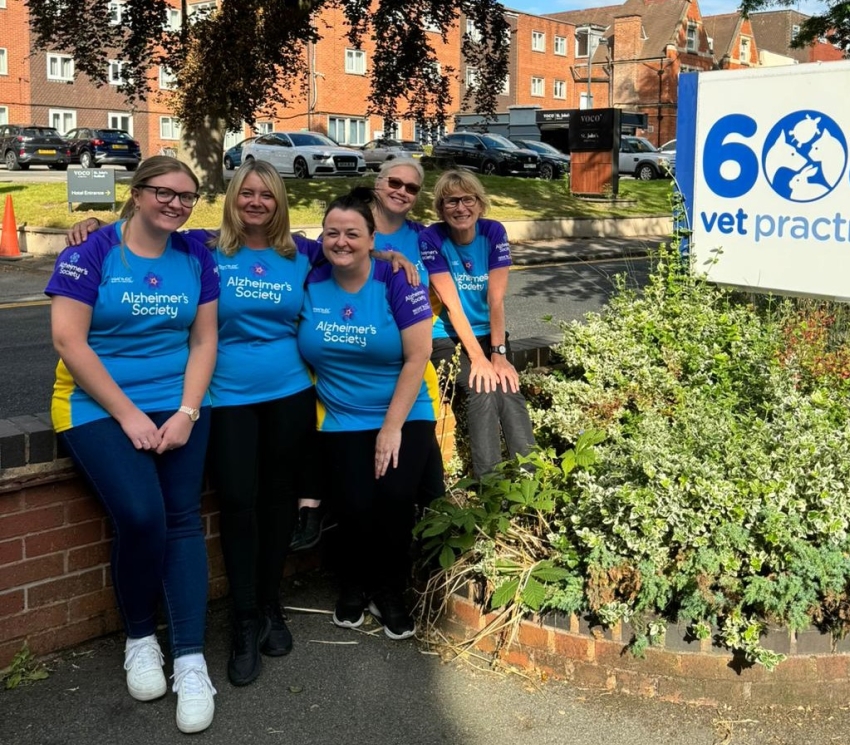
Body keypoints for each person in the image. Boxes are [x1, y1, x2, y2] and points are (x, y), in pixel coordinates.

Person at [68, 161, 419, 683]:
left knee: (277, 503)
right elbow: (144, 232)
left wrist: (391, 256)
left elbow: (353, 250)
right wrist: (93, 227)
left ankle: (272, 606)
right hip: (225, 397)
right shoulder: (203, 249)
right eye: (247, 193)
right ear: (233, 198)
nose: (257, 202)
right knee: (237, 502)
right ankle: (244, 614)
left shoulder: (301, 252)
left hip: (289, 394)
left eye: (268, 195)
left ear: (279, 203)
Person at [45, 156, 220, 733]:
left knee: (183, 519)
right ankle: (141, 637)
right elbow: (69, 340)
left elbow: (204, 340)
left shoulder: (195, 255)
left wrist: (188, 412)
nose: (176, 203)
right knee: (142, 517)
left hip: (179, 403)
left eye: (187, 196)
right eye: (164, 193)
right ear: (137, 193)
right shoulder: (91, 250)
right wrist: (129, 416)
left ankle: (191, 659)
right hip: (96, 405)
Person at [297, 188, 443, 640]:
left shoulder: (398, 279)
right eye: (332, 233)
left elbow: (418, 356)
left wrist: (391, 428)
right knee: (354, 505)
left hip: (403, 410)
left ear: (372, 237)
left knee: (394, 501)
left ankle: (389, 590)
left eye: (353, 234)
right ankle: (353, 585)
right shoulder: (310, 271)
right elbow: (242, 237)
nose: (341, 241)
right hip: (342, 416)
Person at [418, 169, 535, 479]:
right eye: (451, 201)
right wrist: (478, 358)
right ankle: (491, 488)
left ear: (480, 204)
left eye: (467, 199)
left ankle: (531, 479)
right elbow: (452, 304)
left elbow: (496, 300)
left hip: (489, 334)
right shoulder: (431, 238)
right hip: (447, 337)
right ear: (440, 209)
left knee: (508, 387)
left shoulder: (493, 232)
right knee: (480, 388)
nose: (460, 208)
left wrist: (497, 353)